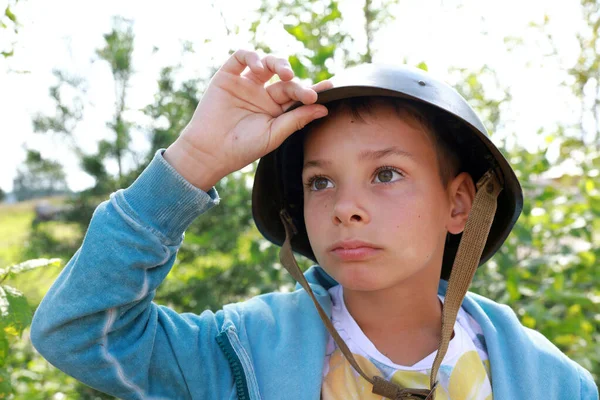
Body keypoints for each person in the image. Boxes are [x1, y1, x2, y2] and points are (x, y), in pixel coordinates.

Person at [31, 49, 598, 400]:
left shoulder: (553, 382)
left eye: (386, 174)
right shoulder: (239, 355)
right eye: (319, 182)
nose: (345, 207)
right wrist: (196, 161)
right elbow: (79, 332)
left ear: (460, 205)